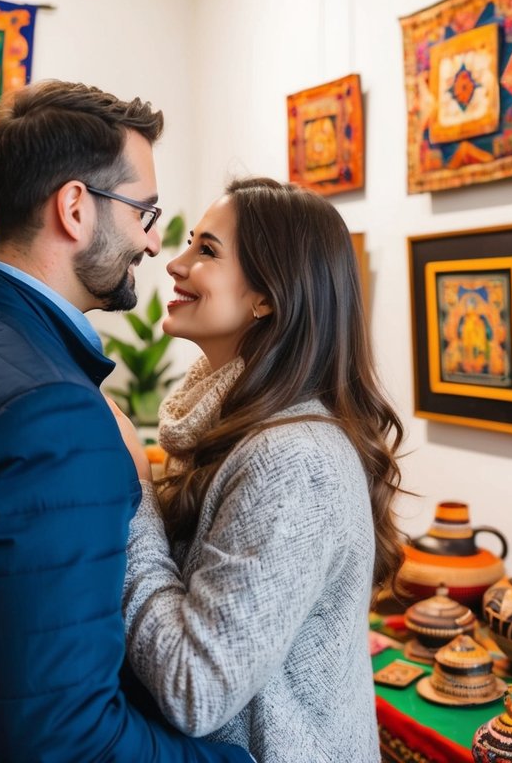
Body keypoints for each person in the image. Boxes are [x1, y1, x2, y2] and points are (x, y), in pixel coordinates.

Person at [0, 80, 251, 763]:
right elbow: (66, 743)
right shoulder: (53, 414)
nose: (153, 244)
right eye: (144, 212)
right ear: (74, 208)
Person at [120, 177, 405, 761]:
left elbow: (193, 688)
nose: (174, 263)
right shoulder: (226, 430)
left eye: (206, 250)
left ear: (267, 297)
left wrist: (137, 492)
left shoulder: (292, 461)